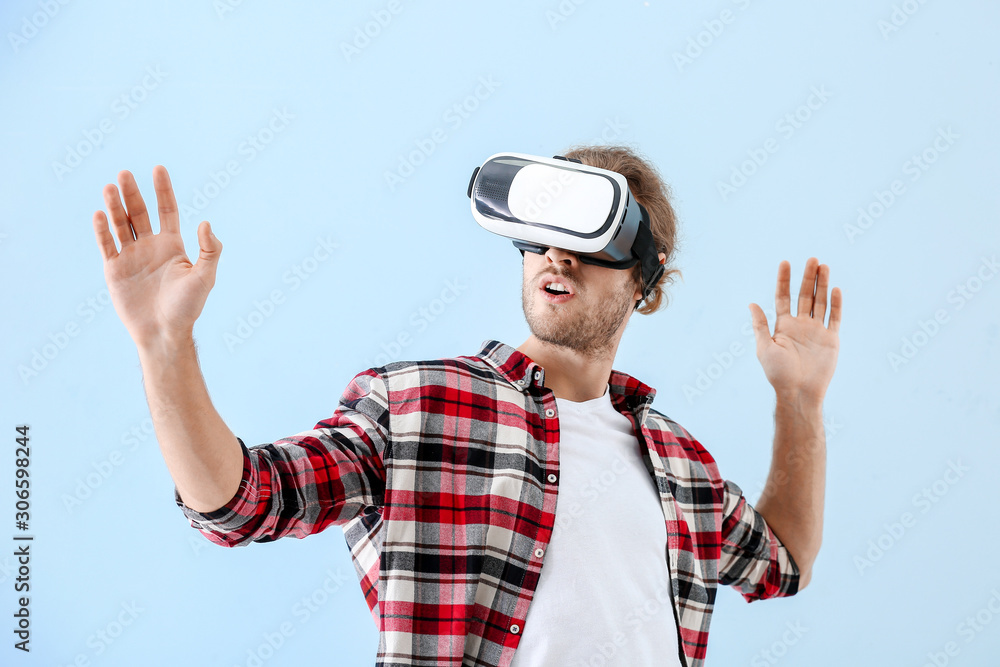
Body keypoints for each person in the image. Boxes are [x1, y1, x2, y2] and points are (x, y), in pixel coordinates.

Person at [91, 145, 842, 667]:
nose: (557, 253)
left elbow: (785, 560)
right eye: (544, 231)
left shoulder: (680, 464)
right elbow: (241, 501)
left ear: (645, 277)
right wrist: (165, 347)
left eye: (592, 233)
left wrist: (799, 399)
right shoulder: (415, 404)